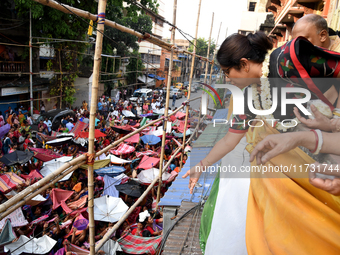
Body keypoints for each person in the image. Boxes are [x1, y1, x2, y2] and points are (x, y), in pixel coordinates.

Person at [183, 31, 340, 254]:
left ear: (244, 64)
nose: (228, 79)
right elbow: (229, 139)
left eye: (229, 72)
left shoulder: (287, 58)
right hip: (292, 173)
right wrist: (201, 166)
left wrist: (335, 119)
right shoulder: (248, 97)